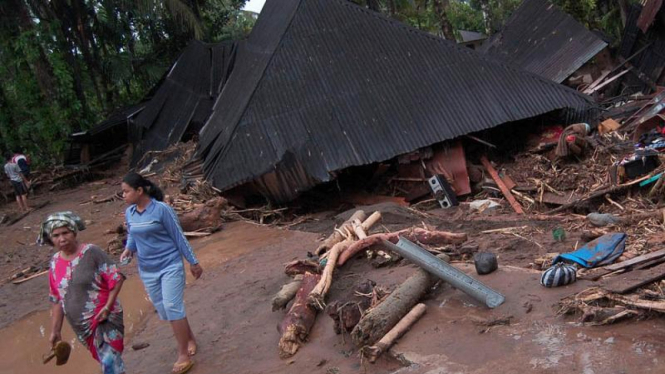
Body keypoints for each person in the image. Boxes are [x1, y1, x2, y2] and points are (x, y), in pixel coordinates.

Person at [119, 172, 202, 374]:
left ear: (139, 191)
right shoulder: (130, 212)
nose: (123, 195)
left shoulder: (162, 209)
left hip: (170, 265)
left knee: (173, 306)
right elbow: (132, 235)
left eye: (126, 191)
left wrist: (193, 262)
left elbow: (179, 236)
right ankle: (189, 337)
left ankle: (182, 354)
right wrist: (128, 249)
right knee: (166, 310)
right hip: (147, 270)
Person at [40, 212, 126, 374]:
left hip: (105, 318)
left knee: (110, 362)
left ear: (74, 232)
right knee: (108, 364)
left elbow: (116, 278)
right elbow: (56, 299)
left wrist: (107, 307)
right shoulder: (54, 262)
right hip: (82, 326)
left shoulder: (92, 252)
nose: (62, 238)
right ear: (51, 239)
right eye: (56, 235)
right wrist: (55, 330)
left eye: (65, 233)